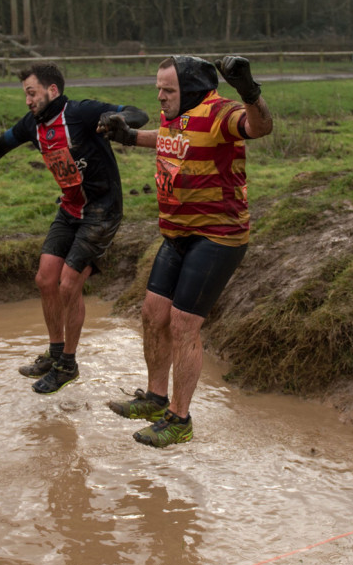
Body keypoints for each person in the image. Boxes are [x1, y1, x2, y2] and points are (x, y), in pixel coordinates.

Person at [97, 55, 273, 447]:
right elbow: (169, 139)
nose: (160, 96)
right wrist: (127, 136)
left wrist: (249, 91)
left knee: (182, 323)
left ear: (191, 89)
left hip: (217, 236)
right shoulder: (178, 115)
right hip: (176, 234)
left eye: (168, 89)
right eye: (158, 88)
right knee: (152, 314)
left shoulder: (221, 111)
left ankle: (180, 419)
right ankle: (156, 400)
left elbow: (260, 127)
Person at [0, 62, 148, 395]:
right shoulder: (32, 125)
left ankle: (68, 365)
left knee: (69, 284)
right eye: (25, 93)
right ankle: (54, 354)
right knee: (45, 278)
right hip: (69, 209)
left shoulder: (82, 113)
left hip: (102, 211)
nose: (27, 100)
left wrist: (119, 120)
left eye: (31, 92)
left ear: (53, 91)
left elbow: (138, 113)